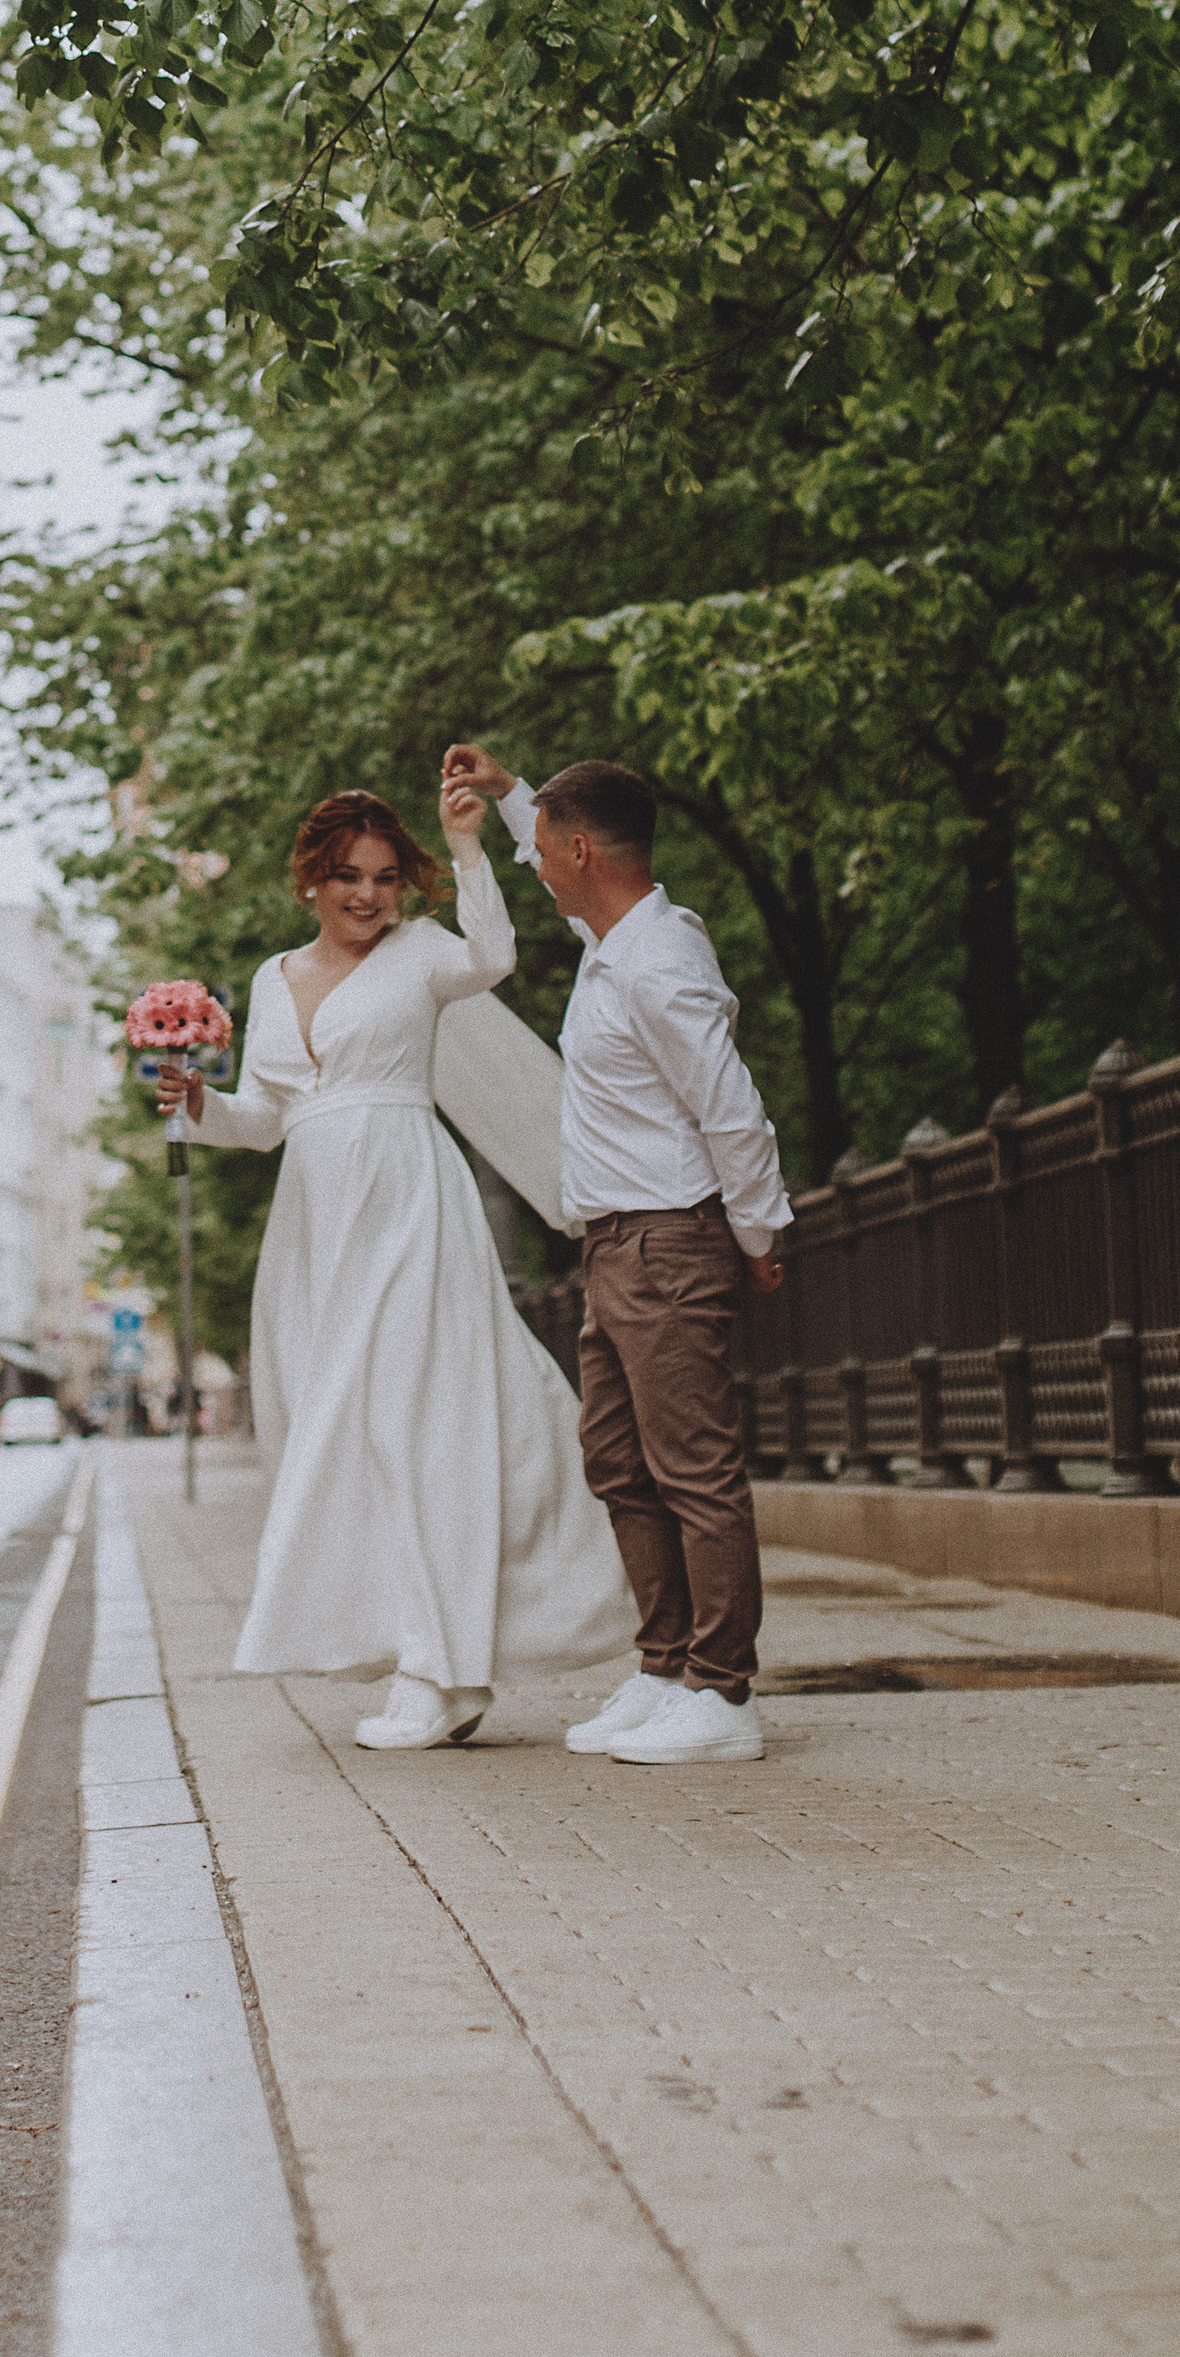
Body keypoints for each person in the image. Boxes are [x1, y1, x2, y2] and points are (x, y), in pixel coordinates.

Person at [159, 779, 634, 1751]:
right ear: (311, 881)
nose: (366, 895)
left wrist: (466, 847)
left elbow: (494, 956)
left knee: (420, 1431)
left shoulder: (422, 954)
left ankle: (440, 1671)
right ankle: (424, 1658)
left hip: (408, 1200)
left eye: (382, 877)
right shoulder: (271, 978)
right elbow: (262, 1120)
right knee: (345, 1438)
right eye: (346, 877)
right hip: (314, 1223)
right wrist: (191, 1103)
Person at [443, 746, 794, 1769]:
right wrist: (515, 798)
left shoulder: (657, 960)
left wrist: (759, 1230)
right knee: (618, 1461)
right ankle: (666, 1667)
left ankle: (723, 1696)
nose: (536, 862)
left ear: (583, 849)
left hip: (668, 1237)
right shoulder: (612, 940)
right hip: (614, 1243)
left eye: (546, 847)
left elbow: (729, 1106)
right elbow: (551, 860)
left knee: (693, 1469)